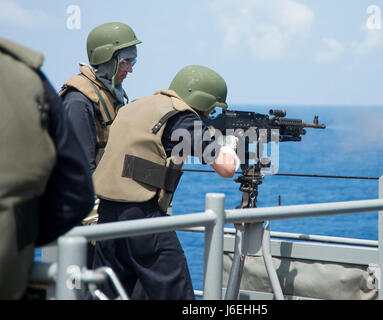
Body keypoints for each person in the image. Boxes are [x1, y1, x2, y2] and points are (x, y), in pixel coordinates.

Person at [91, 65, 239, 299]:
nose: (210, 115)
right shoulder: (183, 117)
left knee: (105, 293)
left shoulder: (136, 106)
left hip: (108, 214)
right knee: (176, 293)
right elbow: (226, 168)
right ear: (200, 100)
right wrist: (229, 145)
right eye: (211, 110)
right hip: (143, 217)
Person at [0, 38, 95, 299]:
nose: (131, 69)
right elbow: (76, 191)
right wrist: (18, 240)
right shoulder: (28, 79)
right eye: (128, 61)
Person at [60, 22, 142, 174]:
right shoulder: (78, 101)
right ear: (107, 59)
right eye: (125, 62)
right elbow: (80, 167)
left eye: (133, 62)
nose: (130, 70)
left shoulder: (109, 94)